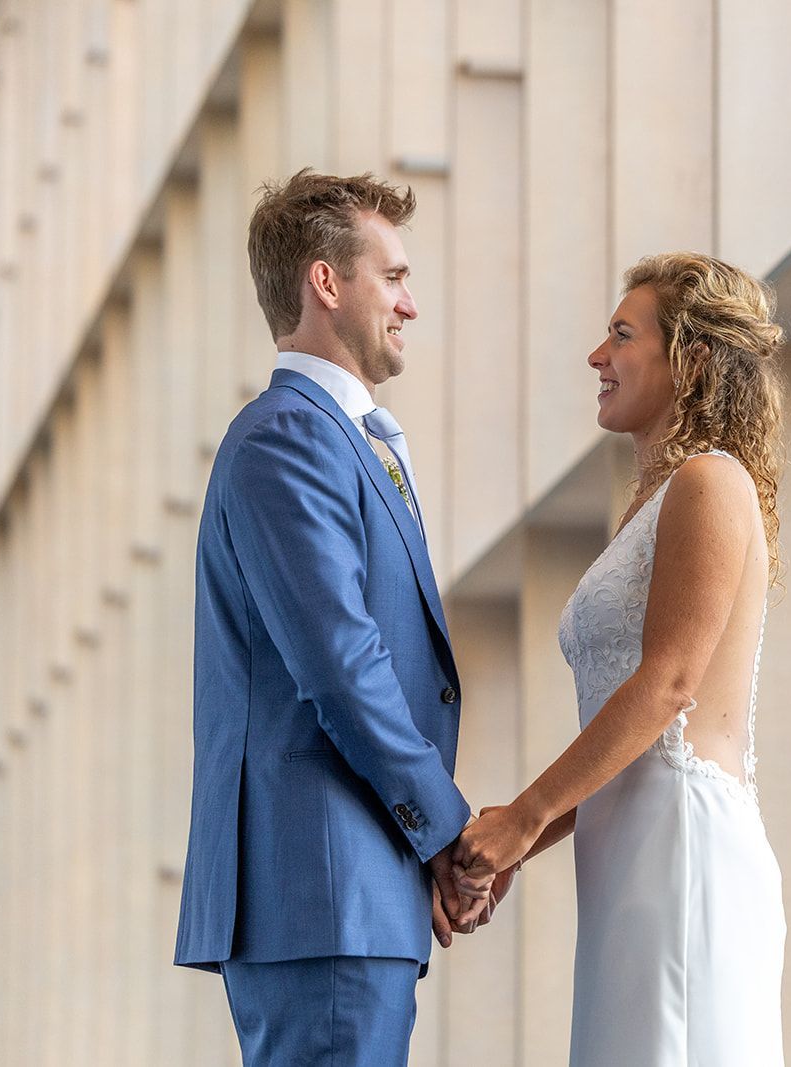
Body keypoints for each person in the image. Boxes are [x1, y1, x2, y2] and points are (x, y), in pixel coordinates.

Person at [173, 169, 495, 1065]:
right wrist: (445, 832)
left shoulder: (340, 437)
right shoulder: (289, 435)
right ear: (326, 282)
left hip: (353, 893)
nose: (410, 303)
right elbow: (343, 666)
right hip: (323, 890)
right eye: (392, 277)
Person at [451, 252, 789, 1065]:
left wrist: (524, 815)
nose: (596, 356)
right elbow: (627, 732)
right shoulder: (654, 501)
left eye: (622, 335)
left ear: (691, 359)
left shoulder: (710, 481)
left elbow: (669, 685)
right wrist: (521, 838)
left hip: (681, 848)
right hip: (628, 852)